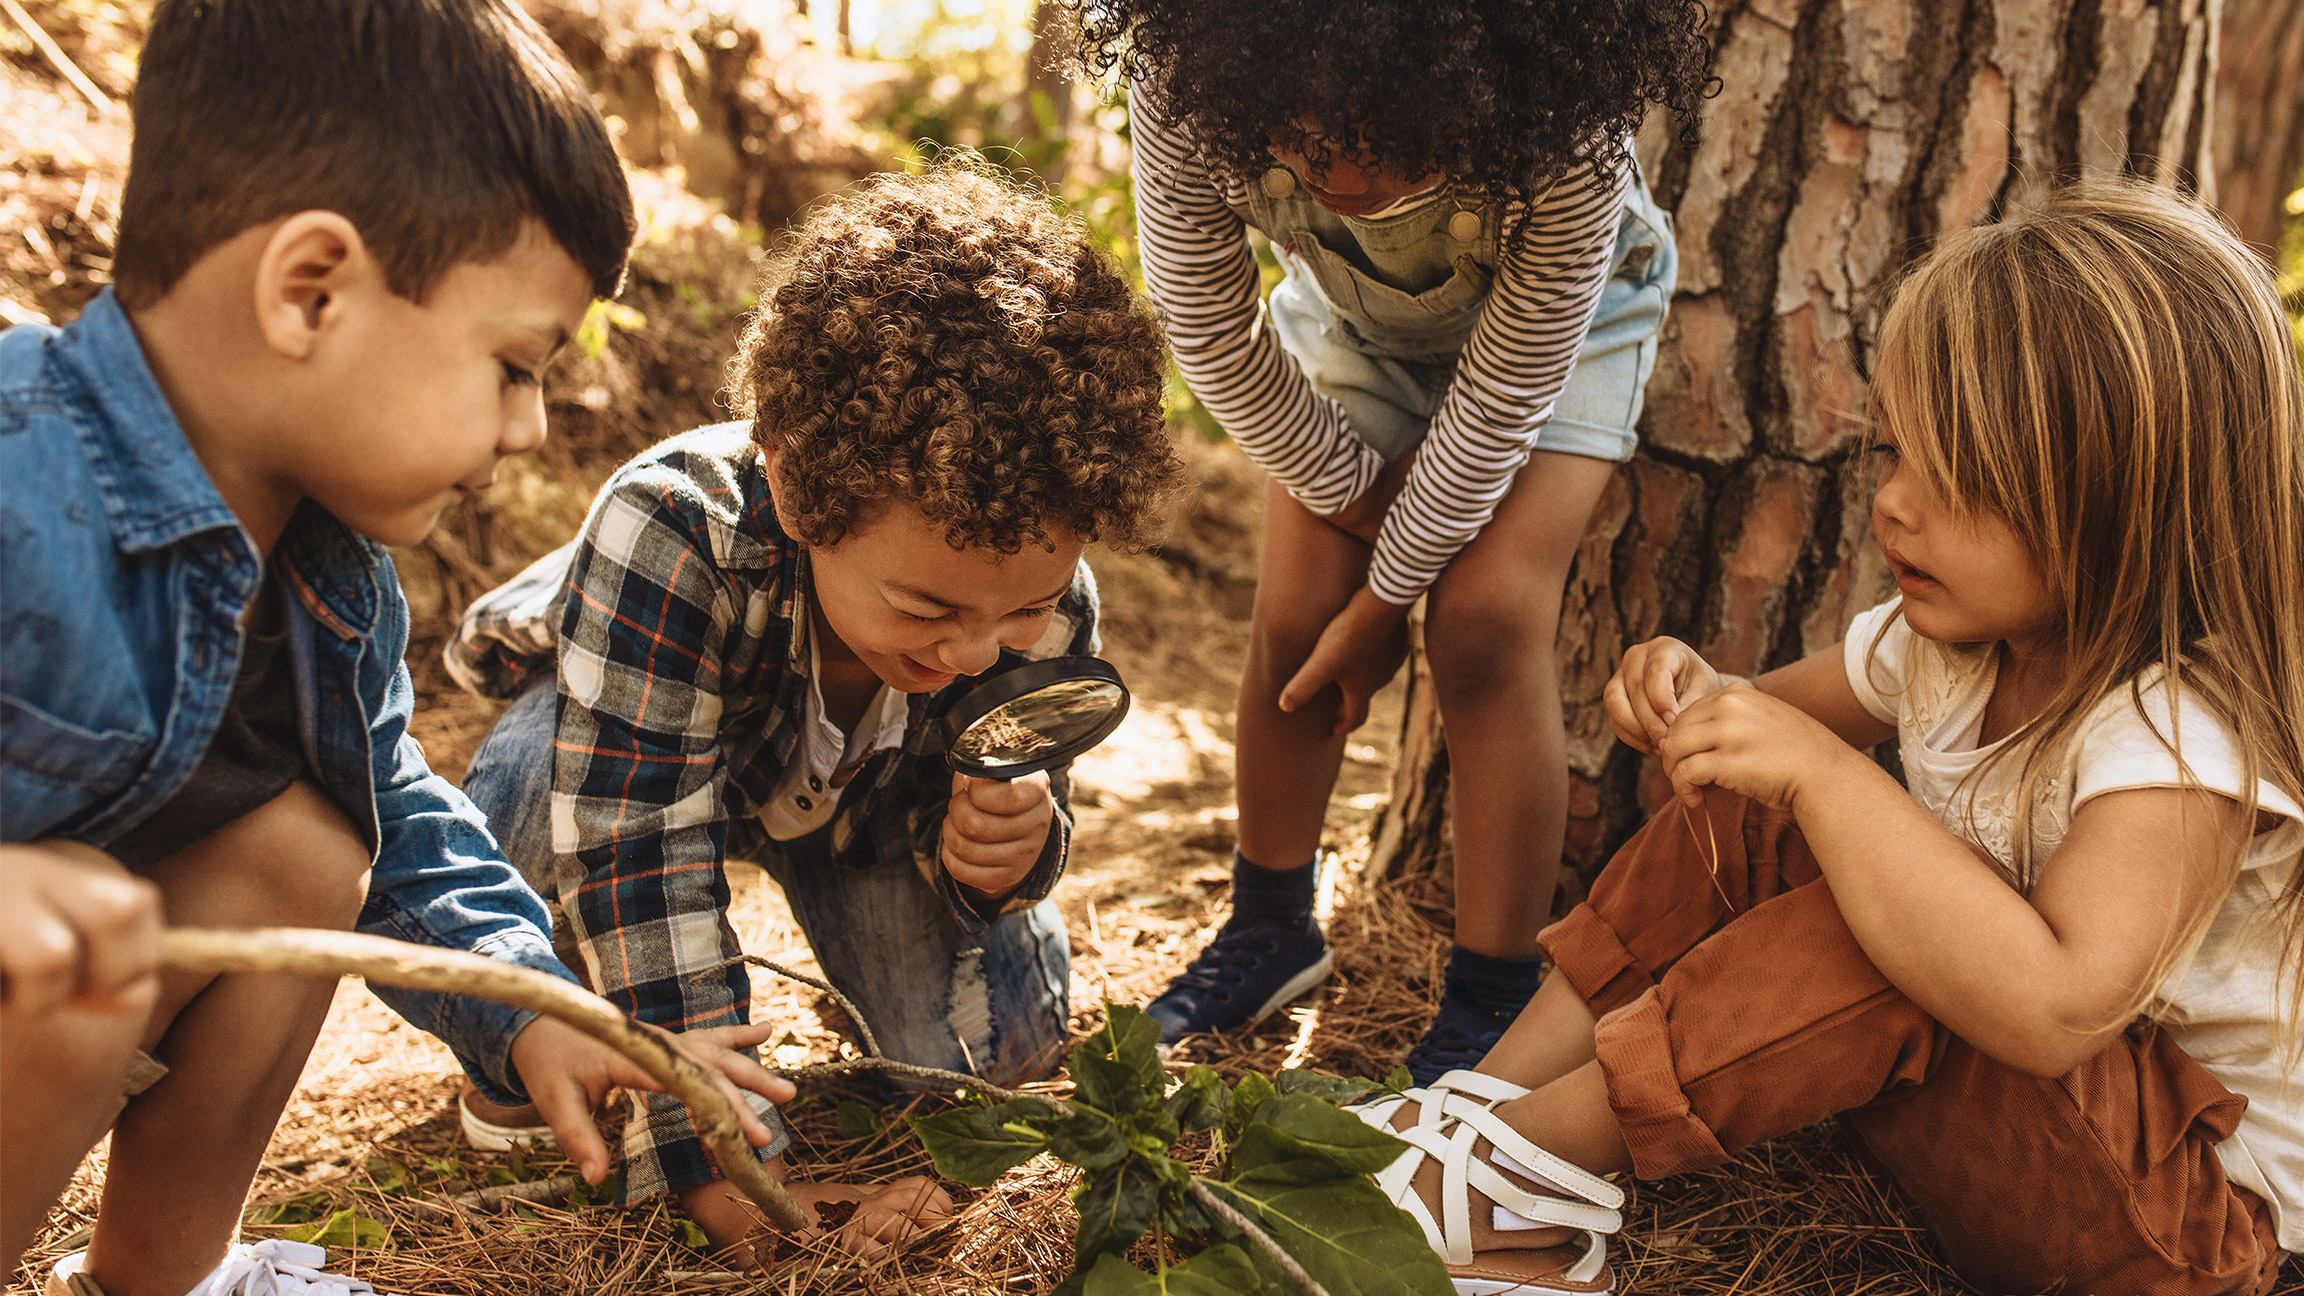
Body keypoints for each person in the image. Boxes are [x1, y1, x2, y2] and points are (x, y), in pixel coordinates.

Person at [1339, 180, 2304, 1294]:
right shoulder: (1946, 645)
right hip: (2033, 1151)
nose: (1895, 506)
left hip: (2189, 1234)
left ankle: (1516, 1177)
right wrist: (1695, 693)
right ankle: (1484, 1112)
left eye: (1965, 482)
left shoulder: (2180, 737)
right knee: (1761, 814)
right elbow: (1759, 729)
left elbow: (2053, 1010)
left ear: (2134, 503)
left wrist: (1831, 785)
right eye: (1892, 455)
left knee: (1889, 924)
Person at [0, 3, 808, 1293]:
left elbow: (404, 826)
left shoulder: (333, 584)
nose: (532, 428)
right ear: (310, 290)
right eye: (511, 366)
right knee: (72, 946)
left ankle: (167, 1277)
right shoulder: (18, 475)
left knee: (309, 852)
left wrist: (538, 1009)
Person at [446, 164, 1184, 1260]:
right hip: (655, 740)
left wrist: (1007, 857)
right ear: (796, 489)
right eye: (928, 605)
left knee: (995, 1057)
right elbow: (638, 842)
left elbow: (1029, 793)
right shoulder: (672, 530)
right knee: (516, 802)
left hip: (866, 819)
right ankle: (522, 1050)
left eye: (1020, 610)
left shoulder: (1040, 597)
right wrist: (717, 1150)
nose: (975, 652)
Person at [1057, 0, 1713, 1079]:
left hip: (1560, 343)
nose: (1340, 176)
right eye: (1303, 139)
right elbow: (1210, 330)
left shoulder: (1566, 131)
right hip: (1357, 330)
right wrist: (1365, 512)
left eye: (1385, 138)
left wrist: (1387, 599)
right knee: (1297, 615)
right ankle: (1269, 927)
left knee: (1486, 623)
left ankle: (1491, 994)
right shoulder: (1187, 78)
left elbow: (1503, 398)